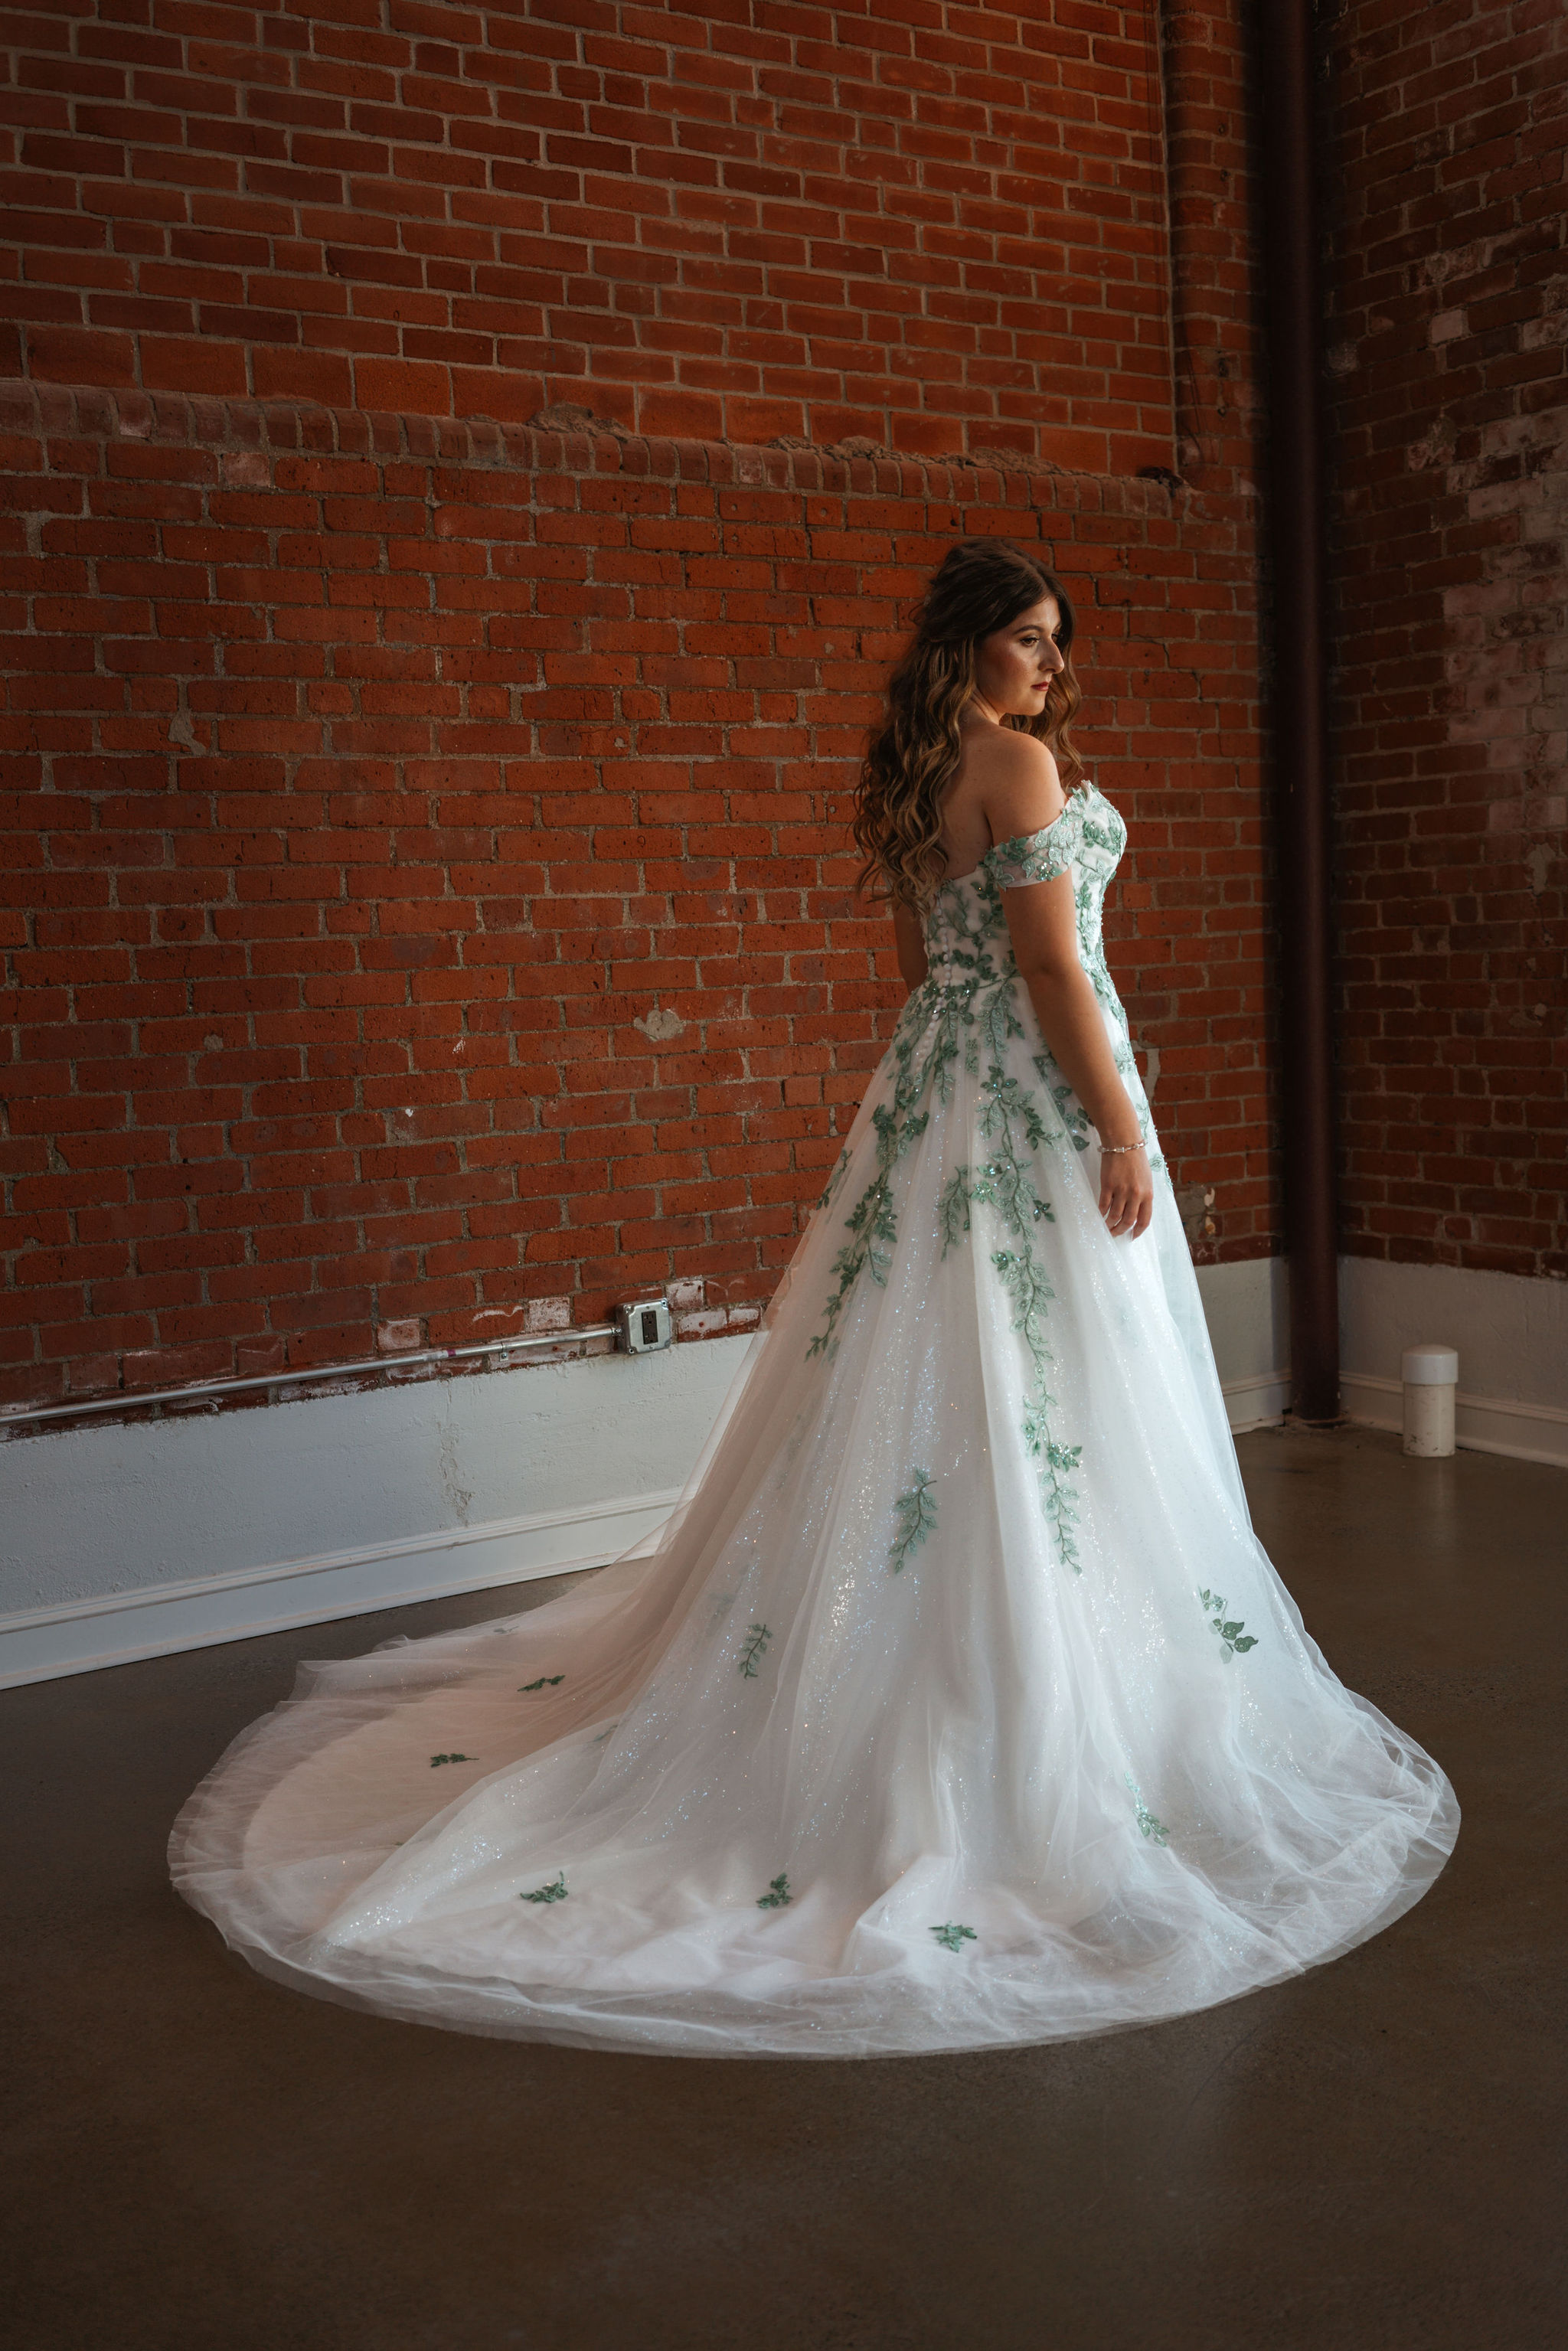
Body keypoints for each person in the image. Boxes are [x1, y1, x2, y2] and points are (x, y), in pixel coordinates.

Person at [171, 539, 1458, 2058]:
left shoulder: (921, 772)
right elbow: (1049, 968)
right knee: (1051, 1368)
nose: (1051, 668)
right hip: (1033, 1096)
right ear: (973, 648)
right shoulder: (1019, 766)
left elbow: (925, 961)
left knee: (964, 1362)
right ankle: (1032, 1702)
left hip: (936, 1092)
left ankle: (991, 1646)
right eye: (1030, 641)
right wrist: (1117, 1122)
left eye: (1056, 645)